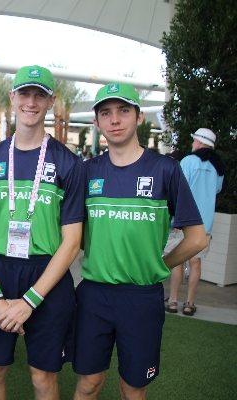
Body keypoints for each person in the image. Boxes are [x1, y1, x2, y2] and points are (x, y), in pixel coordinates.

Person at [72, 83, 207, 400]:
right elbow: (71, 235)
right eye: (106, 113)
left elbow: (197, 238)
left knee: (133, 388)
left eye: (123, 111)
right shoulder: (86, 171)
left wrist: (160, 266)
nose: (114, 120)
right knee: (89, 383)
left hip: (141, 297)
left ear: (139, 118)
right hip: (93, 295)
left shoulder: (165, 170)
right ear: (97, 122)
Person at [0, 65, 85, 400]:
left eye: (40, 95)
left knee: (42, 376)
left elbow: (72, 240)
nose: (31, 102)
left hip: (47, 273)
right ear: (12, 98)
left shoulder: (69, 164)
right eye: (25, 93)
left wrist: (30, 300)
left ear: (51, 102)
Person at [166, 128, 225, 316]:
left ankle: (173, 301)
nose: (192, 144)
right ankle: (190, 303)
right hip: (205, 222)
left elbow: (178, 190)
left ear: (199, 142)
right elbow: (216, 191)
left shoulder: (188, 162)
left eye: (194, 141)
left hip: (184, 220)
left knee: (177, 260)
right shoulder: (218, 167)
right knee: (196, 263)